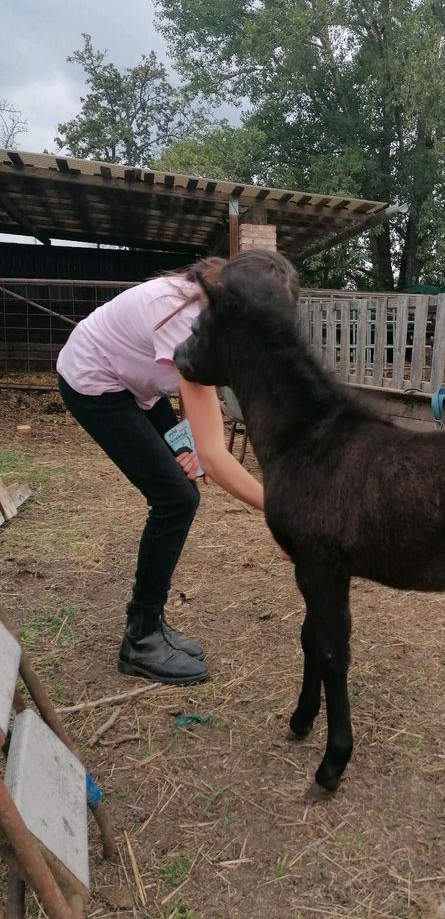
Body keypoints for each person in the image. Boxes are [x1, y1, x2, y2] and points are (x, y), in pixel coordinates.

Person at [56, 251, 291, 685]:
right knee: (176, 498)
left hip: (137, 388)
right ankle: (140, 637)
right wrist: (282, 513)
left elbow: (211, 411)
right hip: (94, 381)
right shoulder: (187, 323)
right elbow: (217, 456)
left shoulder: (210, 310)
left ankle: (151, 623)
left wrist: (193, 442)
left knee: (184, 484)